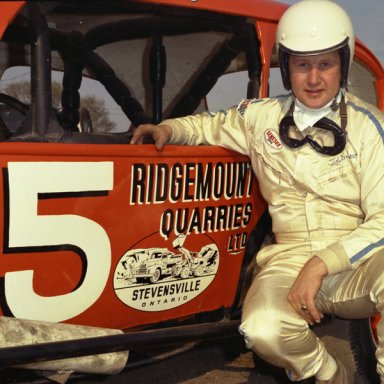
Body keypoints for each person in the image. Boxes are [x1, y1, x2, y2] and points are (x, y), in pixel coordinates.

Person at [131, 0, 384, 382]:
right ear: (287, 68)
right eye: (302, 65)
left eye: (325, 64)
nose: (313, 78)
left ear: (343, 65)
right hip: (288, 256)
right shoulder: (258, 117)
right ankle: (333, 376)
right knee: (262, 329)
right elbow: (207, 125)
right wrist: (168, 130)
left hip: (353, 258)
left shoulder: (370, 128)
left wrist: (321, 264)